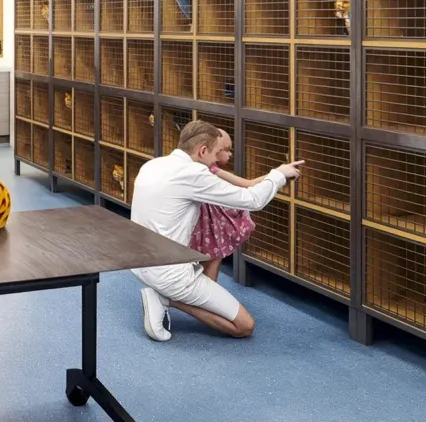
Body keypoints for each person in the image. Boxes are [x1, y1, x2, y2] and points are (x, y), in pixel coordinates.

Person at [129, 120, 301, 342]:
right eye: (214, 154)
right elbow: (252, 200)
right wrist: (279, 174)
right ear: (202, 150)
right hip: (169, 275)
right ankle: (166, 299)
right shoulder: (193, 173)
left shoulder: (152, 165)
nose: (215, 161)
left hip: (138, 264)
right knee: (244, 326)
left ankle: (165, 293)